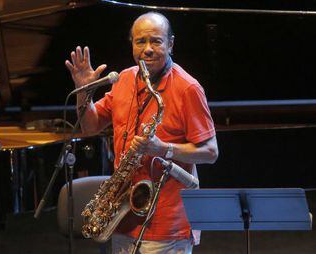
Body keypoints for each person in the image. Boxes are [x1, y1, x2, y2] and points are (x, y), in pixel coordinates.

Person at [65, 12, 218, 254]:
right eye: (140, 41)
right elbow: (91, 126)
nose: (147, 49)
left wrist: (163, 149)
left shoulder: (188, 88)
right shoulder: (124, 79)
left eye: (156, 41)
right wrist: (84, 90)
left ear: (171, 44)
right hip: (123, 218)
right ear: (132, 44)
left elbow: (210, 152)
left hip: (166, 223)